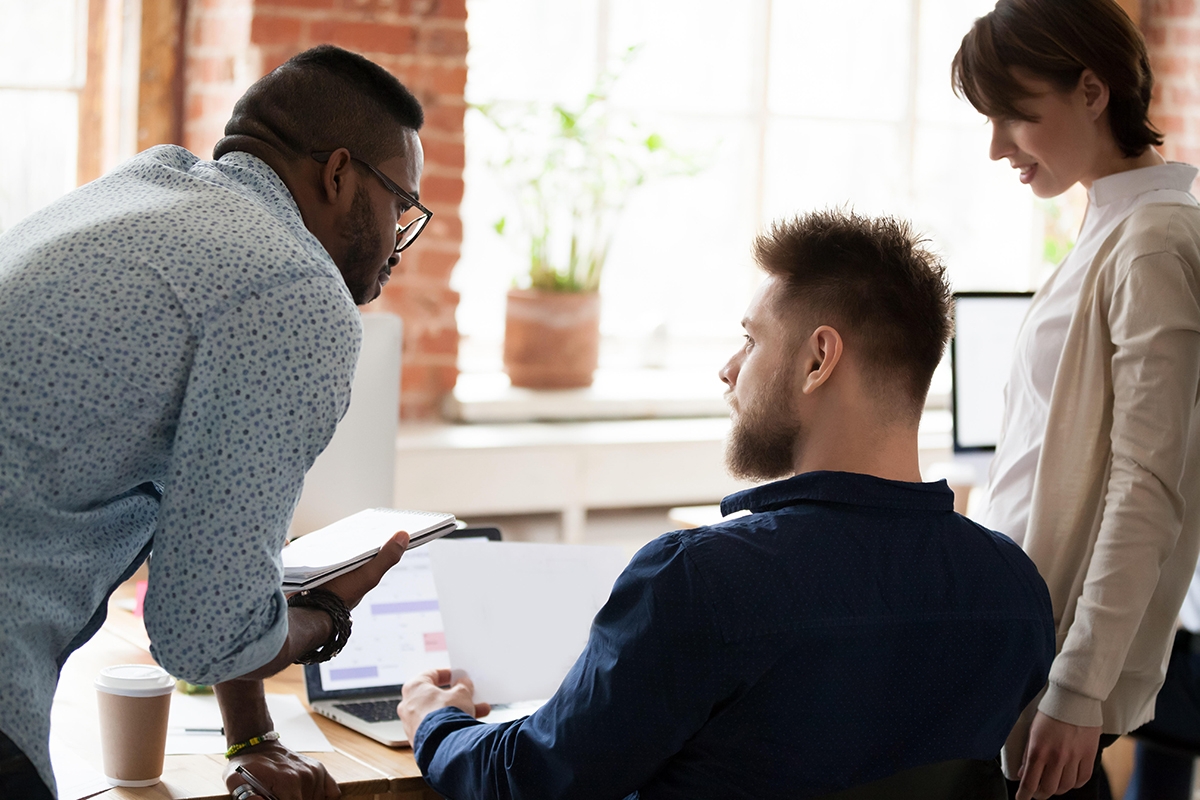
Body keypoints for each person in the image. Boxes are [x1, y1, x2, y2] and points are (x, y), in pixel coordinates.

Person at [396, 209, 1056, 800]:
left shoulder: (700, 582)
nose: (728, 368)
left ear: (818, 359)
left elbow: (531, 779)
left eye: (750, 338)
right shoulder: (1014, 591)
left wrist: (435, 722)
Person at [0, 45, 431, 799]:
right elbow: (201, 633)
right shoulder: (294, 288)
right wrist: (327, 613)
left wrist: (250, 734)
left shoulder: (146, 190)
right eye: (402, 205)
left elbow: (205, 513)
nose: (400, 241)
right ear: (338, 174)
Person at [951, 1, 1200, 798]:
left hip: (1051, 657)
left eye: (1016, 117)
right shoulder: (1111, 224)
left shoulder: (1153, 242)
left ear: (1092, 92)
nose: (996, 148)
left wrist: (1080, 687)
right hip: (1018, 637)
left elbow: (1147, 483)